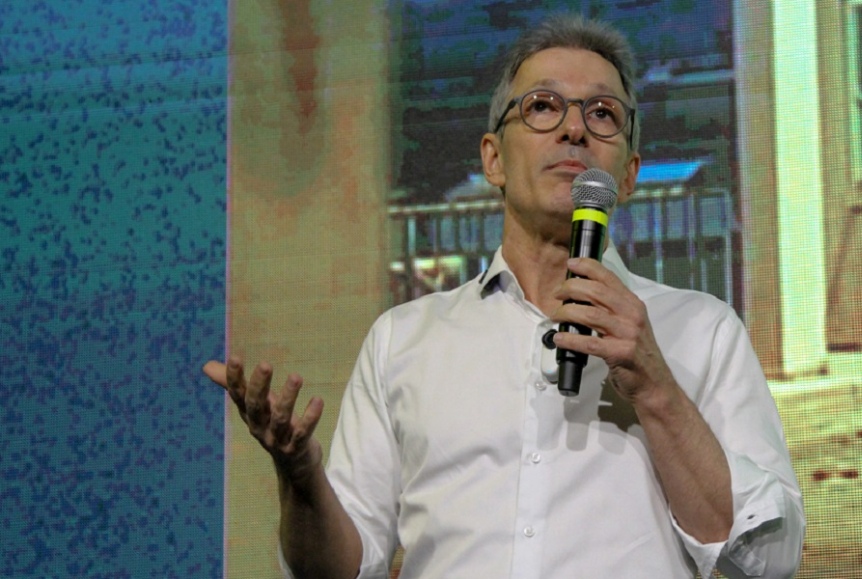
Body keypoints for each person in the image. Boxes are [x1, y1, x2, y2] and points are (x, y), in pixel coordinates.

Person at [205, 14, 805, 579]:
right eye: (542, 106)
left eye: (602, 113)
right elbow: (339, 570)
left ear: (627, 174)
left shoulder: (702, 329)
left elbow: (769, 560)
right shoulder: (404, 339)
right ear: (493, 160)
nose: (574, 129)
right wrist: (300, 477)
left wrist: (656, 389)